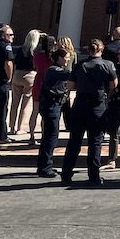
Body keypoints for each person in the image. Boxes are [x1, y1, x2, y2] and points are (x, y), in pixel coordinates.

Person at [60, 38, 118, 186]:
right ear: (102, 49)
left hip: (80, 104)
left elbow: (71, 86)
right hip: (97, 105)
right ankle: (94, 175)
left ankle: (66, 172)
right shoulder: (107, 65)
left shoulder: (80, 65)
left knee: (74, 140)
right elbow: (113, 84)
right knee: (95, 141)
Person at [35, 47, 72, 178]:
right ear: (59, 58)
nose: (68, 60)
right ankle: (45, 167)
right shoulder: (53, 70)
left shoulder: (57, 69)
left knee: (50, 136)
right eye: (67, 57)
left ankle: (44, 165)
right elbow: (68, 75)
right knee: (50, 137)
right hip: (51, 106)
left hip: (55, 105)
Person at [8, 29, 40, 136]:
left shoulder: (21, 50)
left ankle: (11, 127)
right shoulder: (35, 51)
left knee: (14, 103)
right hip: (30, 76)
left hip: (17, 75)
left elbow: (15, 63)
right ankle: (20, 128)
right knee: (25, 104)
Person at [29, 34, 55, 146]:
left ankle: (32, 135)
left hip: (38, 82)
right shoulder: (53, 57)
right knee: (46, 113)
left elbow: (35, 66)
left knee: (35, 111)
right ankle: (44, 135)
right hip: (48, 84)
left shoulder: (37, 55)